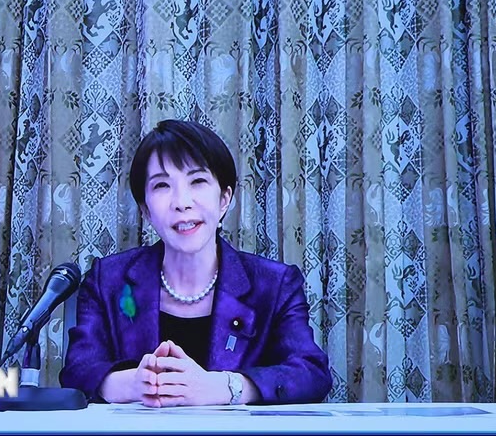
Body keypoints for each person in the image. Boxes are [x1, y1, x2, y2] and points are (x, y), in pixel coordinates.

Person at [60, 119, 332, 406]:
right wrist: (133, 384)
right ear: (146, 210)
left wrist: (224, 387)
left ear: (224, 199)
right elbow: (77, 371)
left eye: (198, 181)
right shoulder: (108, 280)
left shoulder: (274, 285)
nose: (182, 202)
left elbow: (311, 374)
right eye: (162, 185)